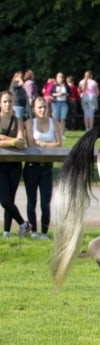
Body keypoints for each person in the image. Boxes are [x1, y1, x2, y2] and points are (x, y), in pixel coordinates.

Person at [23, 97, 62, 239]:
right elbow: (31, 143)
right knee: (31, 201)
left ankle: (44, 232)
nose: (42, 110)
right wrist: (47, 143)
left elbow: (59, 143)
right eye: (39, 107)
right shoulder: (29, 123)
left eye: (44, 107)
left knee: (45, 202)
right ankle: (34, 231)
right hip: (32, 166)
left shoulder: (54, 122)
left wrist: (43, 144)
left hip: (47, 167)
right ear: (34, 109)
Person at [0, 90, 31, 237]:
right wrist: (11, 141)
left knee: (10, 198)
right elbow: (15, 141)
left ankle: (6, 231)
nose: (8, 104)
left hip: (15, 164)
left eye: (10, 101)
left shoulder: (18, 120)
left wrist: (3, 139)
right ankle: (23, 224)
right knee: (4, 199)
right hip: (0, 165)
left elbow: (20, 142)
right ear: (0, 103)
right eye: (5, 101)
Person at [50, 72, 69, 138]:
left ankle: (62, 134)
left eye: (61, 77)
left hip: (64, 103)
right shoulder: (54, 86)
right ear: (56, 78)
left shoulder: (65, 85)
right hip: (55, 103)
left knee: (63, 119)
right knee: (55, 119)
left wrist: (65, 94)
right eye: (59, 77)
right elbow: (51, 93)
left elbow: (69, 93)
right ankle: (55, 133)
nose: (60, 78)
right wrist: (58, 94)